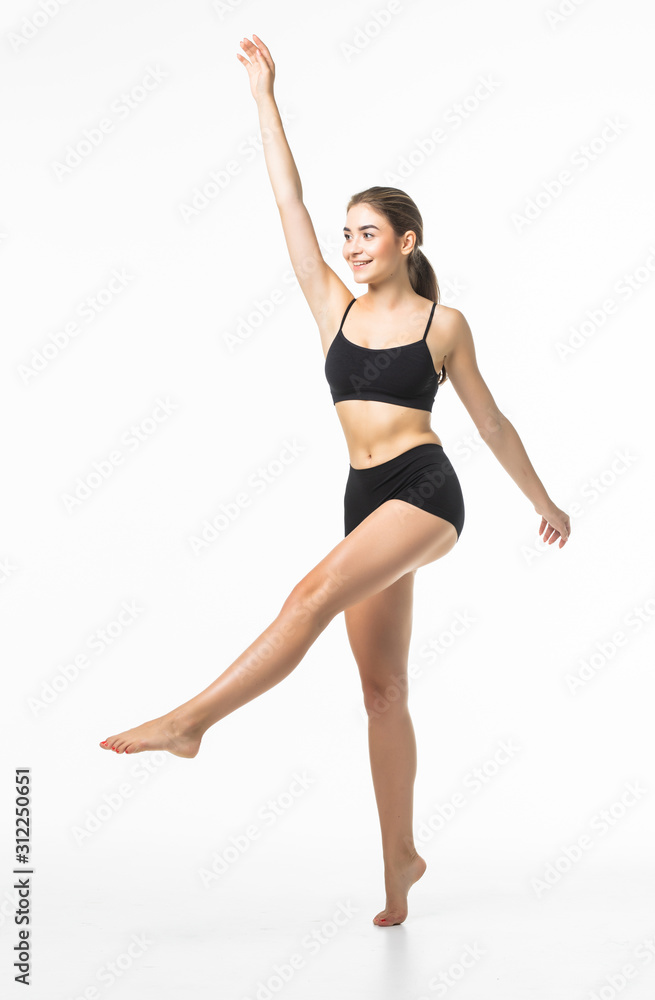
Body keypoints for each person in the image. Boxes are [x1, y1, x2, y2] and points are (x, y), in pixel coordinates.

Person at [99, 35, 571, 927]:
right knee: (381, 693)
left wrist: (541, 503)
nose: (351, 246)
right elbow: (287, 198)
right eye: (346, 235)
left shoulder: (444, 323)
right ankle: (400, 865)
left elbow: (492, 423)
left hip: (425, 491)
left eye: (367, 234)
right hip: (361, 497)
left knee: (308, 594)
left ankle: (190, 721)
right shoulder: (332, 307)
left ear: (407, 241)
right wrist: (264, 98)